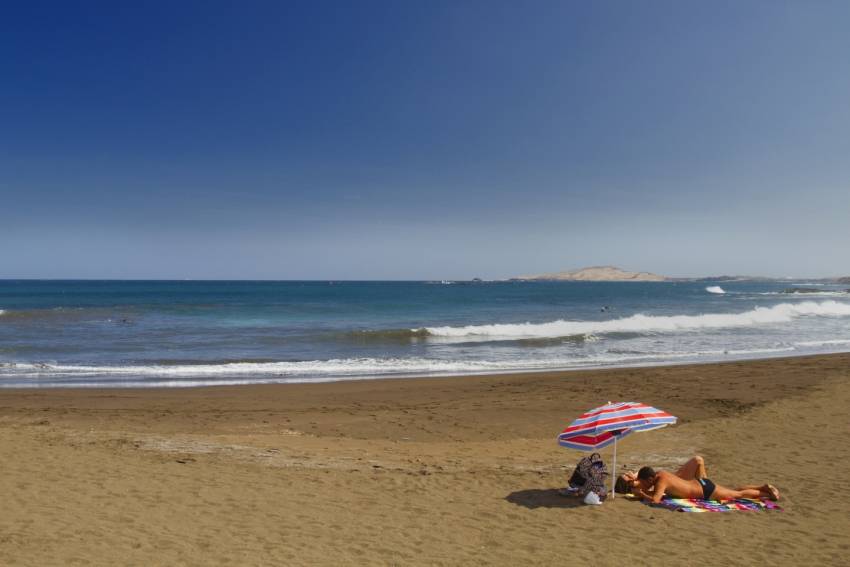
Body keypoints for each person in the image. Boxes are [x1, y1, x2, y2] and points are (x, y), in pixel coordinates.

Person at [631, 465, 780, 503]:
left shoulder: (660, 482)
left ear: (650, 479)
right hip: (701, 483)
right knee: (733, 491)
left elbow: (656, 499)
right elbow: (657, 492)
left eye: (644, 483)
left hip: (705, 491)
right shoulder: (662, 474)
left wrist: (642, 494)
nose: (644, 486)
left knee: (738, 495)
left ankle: (767, 494)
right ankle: (762, 487)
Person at [614, 455, 707, 495]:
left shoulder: (637, 480)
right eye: (625, 476)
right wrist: (633, 479)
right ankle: (707, 488)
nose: (626, 474)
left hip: (672, 478)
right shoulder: (635, 488)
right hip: (674, 483)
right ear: (625, 484)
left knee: (698, 461)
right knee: (698, 461)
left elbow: (641, 472)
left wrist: (633, 476)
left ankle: (707, 487)